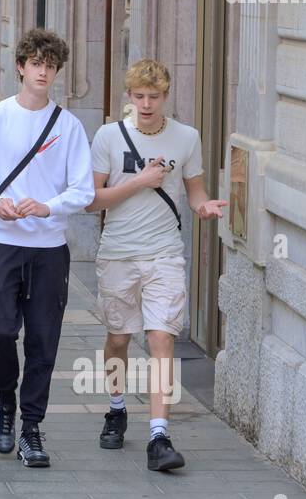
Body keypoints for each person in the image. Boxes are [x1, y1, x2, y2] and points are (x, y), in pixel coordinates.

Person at [0, 28, 95, 469]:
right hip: (1, 241)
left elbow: (83, 190)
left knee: (43, 340)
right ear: (20, 66)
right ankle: (4, 403)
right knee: (0, 330)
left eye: (50, 67)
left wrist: (47, 206)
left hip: (50, 247)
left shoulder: (68, 126)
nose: (43, 72)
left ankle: (31, 428)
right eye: (36, 64)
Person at [85, 59, 226, 472]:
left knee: (162, 338)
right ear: (129, 97)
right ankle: (116, 408)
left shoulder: (186, 138)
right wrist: (138, 182)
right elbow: (93, 200)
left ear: (166, 97)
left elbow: (195, 192)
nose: (146, 104)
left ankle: (159, 436)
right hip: (118, 253)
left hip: (165, 252)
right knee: (118, 339)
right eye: (139, 96)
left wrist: (205, 207)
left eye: (154, 97)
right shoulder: (109, 137)